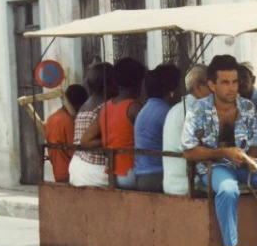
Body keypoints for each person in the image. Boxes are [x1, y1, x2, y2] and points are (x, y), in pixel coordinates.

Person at [181, 55, 257, 246]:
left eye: (234, 82)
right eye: (225, 82)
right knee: (228, 189)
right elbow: (189, 151)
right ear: (212, 85)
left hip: (243, 165)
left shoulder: (248, 107)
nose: (232, 88)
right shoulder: (198, 109)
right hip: (213, 167)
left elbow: (253, 142)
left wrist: (251, 160)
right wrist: (224, 153)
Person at [81, 57, 146, 189]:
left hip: (112, 173)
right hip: (131, 171)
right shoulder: (135, 107)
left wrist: (109, 140)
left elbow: (85, 141)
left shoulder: (106, 107)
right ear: (139, 82)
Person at [162, 64, 211, 195]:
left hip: (173, 182)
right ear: (198, 87)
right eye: (210, 85)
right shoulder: (192, 110)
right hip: (188, 183)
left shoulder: (178, 108)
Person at [133, 63, 182, 193]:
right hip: (156, 176)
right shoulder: (165, 112)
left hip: (142, 175)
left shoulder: (146, 108)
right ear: (171, 91)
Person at [70, 62, 114, 187]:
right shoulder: (105, 107)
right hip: (95, 171)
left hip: (77, 166)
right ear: (111, 85)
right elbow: (87, 141)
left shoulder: (85, 105)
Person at [44, 84, 88, 183]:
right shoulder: (68, 121)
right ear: (79, 105)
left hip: (58, 170)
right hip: (68, 172)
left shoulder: (51, 118)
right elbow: (74, 151)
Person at [237, 62, 257, 126]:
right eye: (237, 79)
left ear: (253, 80)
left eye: (244, 77)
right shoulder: (235, 102)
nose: (241, 82)